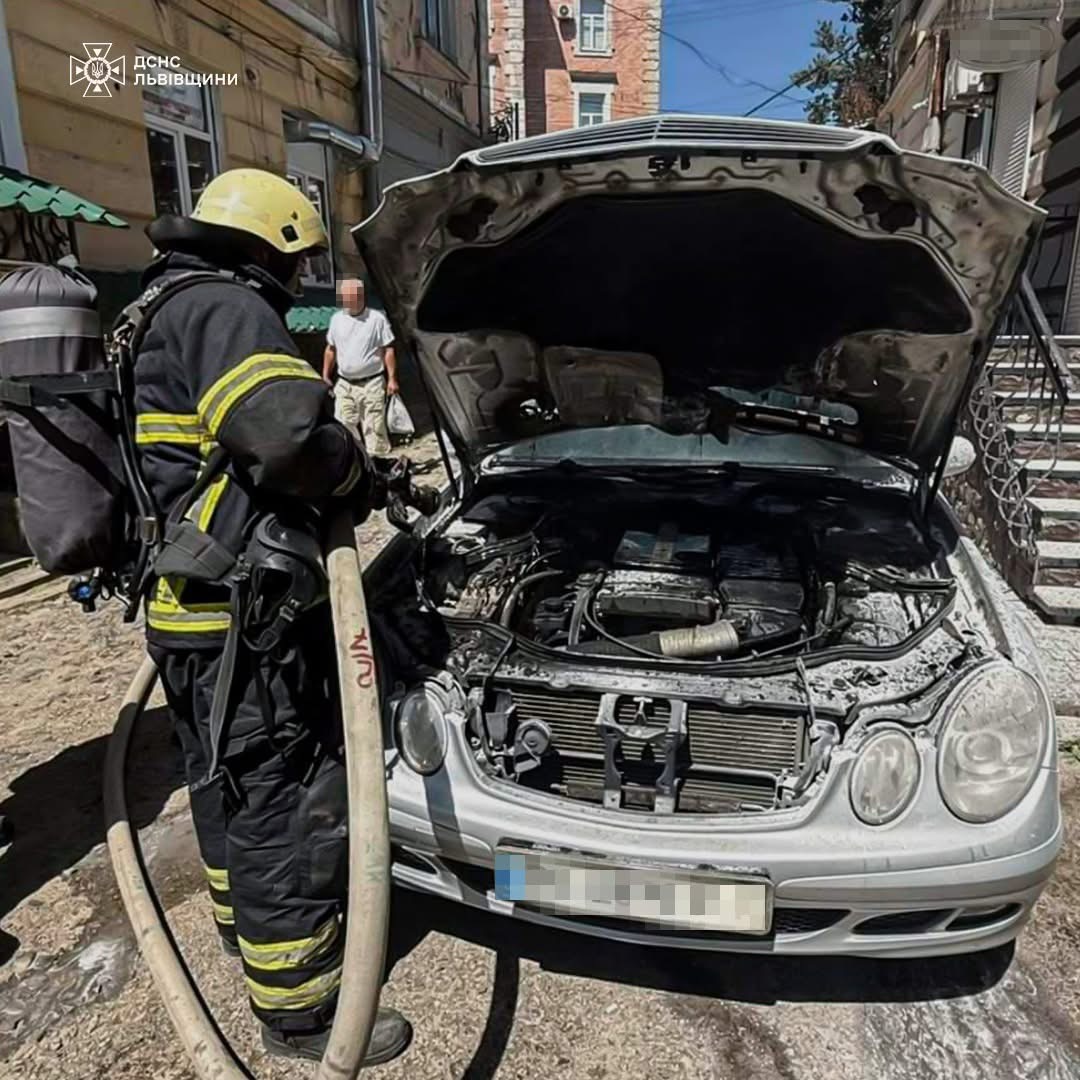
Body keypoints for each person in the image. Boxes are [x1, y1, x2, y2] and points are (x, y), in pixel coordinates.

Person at [133, 169, 412, 1066]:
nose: (300, 281)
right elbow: (288, 435)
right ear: (274, 249)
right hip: (241, 615)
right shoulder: (222, 308)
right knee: (276, 797)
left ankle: (240, 927)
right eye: (300, 263)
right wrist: (356, 477)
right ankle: (301, 1010)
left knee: (218, 776)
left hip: (186, 607)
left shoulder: (152, 307)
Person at [323, 279, 397, 455]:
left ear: (360, 296)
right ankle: (358, 458)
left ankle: (378, 463)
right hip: (345, 383)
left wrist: (392, 379)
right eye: (344, 297)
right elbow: (330, 349)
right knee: (344, 423)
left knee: (374, 427)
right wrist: (325, 374)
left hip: (372, 382)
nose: (346, 301)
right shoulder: (337, 319)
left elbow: (388, 349)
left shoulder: (377, 319)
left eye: (349, 297)